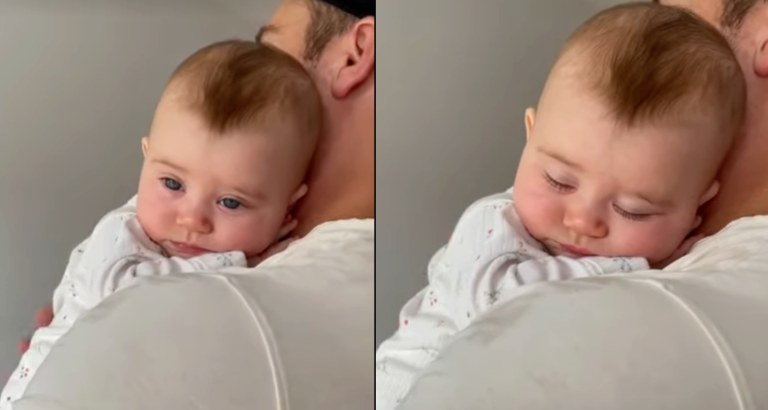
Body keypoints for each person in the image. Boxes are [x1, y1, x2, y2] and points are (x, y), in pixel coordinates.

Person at [386, 0, 768, 408]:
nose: (584, 220)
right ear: (530, 135)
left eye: (633, 210)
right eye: (558, 180)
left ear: (696, 205)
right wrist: (630, 264)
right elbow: (501, 303)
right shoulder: (493, 223)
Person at [10, 0, 374, 409]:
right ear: (146, 157)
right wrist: (230, 258)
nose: (192, 219)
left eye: (232, 202)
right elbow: (124, 292)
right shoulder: (127, 230)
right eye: (171, 183)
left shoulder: (265, 290)